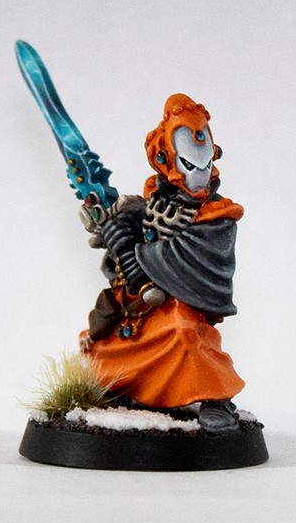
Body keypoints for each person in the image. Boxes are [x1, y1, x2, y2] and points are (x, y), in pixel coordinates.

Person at [82, 93, 246, 433]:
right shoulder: (157, 197)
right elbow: (141, 222)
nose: (200, 175)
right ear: (166, 160)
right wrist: (110, 222)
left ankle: (216, 399)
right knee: (107, 341)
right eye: (190, 165)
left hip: (182, 300)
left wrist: (140, 255)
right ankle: (125, 389)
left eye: (205, 163)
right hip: (142, 298)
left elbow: (196, 256)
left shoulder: (217, 216)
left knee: (186, 335)